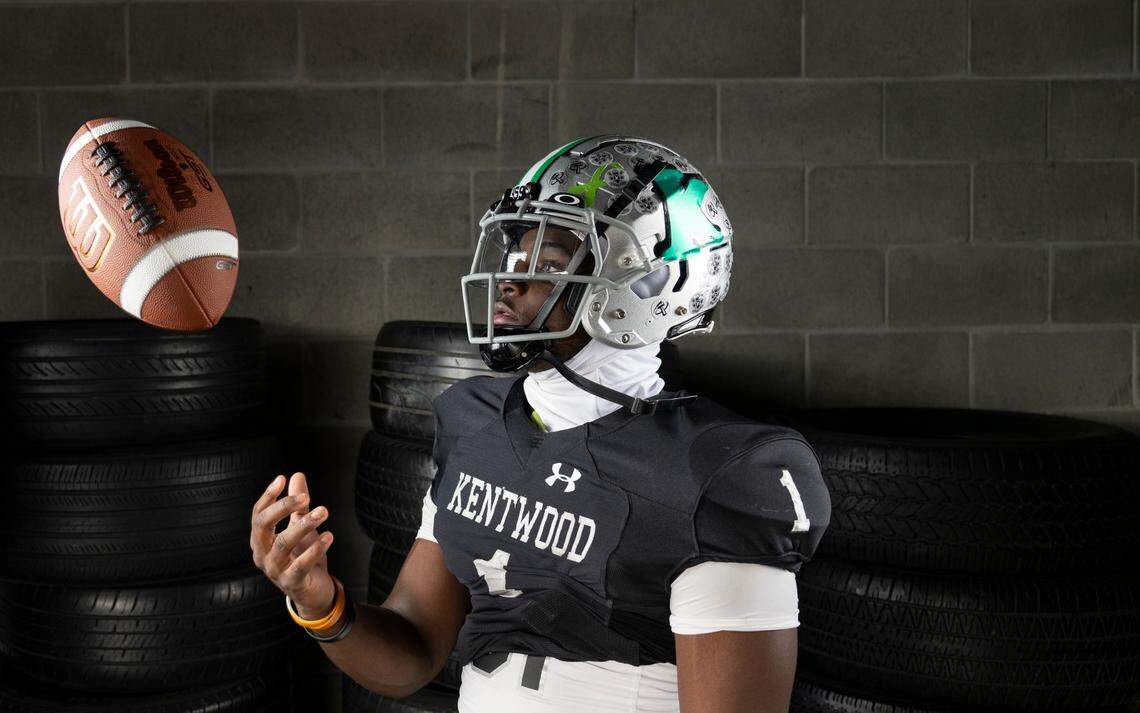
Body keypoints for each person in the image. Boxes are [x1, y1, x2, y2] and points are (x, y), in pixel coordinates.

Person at [251, 135, 831, 712]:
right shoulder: (472, 421)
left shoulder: (716, 471)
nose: (509, 280)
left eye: (551, 263)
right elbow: (412, 653)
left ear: (644, 288)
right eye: (515, 255)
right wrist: (317, 599)